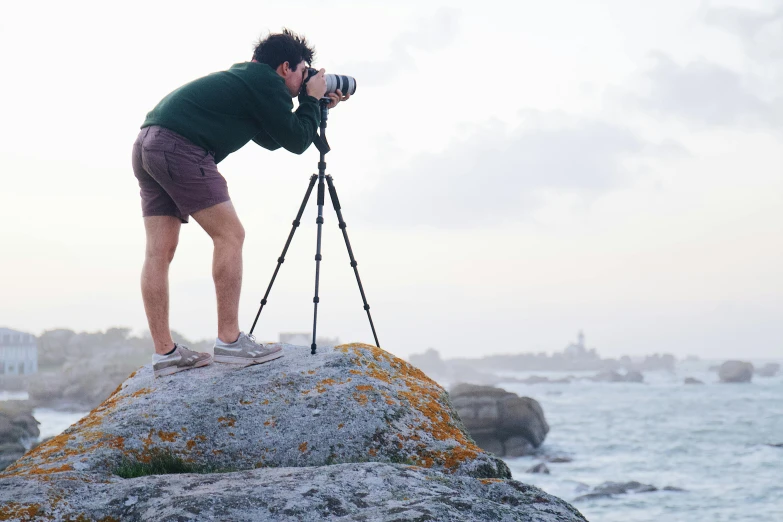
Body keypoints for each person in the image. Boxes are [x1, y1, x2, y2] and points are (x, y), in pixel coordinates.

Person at [131, 29, 350, 378]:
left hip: (148, 143)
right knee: (230, 235)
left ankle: (165, 354)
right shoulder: (265, 84)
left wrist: (315, 103)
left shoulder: (248, 80)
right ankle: (231, 343)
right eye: (303, 71)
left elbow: (275, 138)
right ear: (284, 68)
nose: (306, 78)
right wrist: (309, 101)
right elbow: (295, 142)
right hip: (179, 148)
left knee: (159, 252)